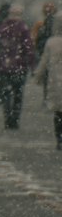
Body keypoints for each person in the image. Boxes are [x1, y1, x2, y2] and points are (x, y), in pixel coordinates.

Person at [0, 4, 35, 130]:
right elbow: (29, 48)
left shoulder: (2, 28)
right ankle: (14, 119)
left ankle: (7, 118)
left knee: (6, 94)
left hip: (5, 66)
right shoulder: (23, 28)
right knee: (18, 95)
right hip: (20, 67)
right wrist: (30, 63)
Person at [32, 17, 62, 148]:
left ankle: (60, 139)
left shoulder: (51, 42)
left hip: (56, 80)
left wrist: (37, 76)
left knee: (59, 112)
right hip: (56, 79)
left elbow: (44, 61)